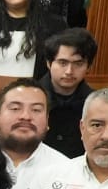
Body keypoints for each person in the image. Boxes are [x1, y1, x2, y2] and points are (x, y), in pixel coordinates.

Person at [0, 79, 70, 189]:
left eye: (36, 110)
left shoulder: (66, 170)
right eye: (15, 108)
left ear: (47, 121)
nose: (25, 116)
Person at [41, 28, 98, 157]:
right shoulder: (29, 98)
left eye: (78, 64)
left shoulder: (96, 103)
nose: (69, 71)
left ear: (88, 67)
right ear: (49, 63)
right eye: (62, 63)